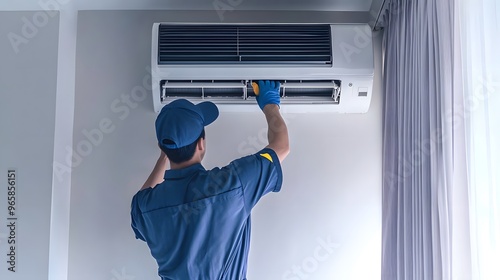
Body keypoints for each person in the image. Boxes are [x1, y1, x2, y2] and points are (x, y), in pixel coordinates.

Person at [130, 80, 289, 279]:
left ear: (163, 148)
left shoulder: (146, 208)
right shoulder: (233, 184)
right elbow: (280, 146)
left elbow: (143, 196)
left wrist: (167, 154)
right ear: (201, 144)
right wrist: (269, 103)